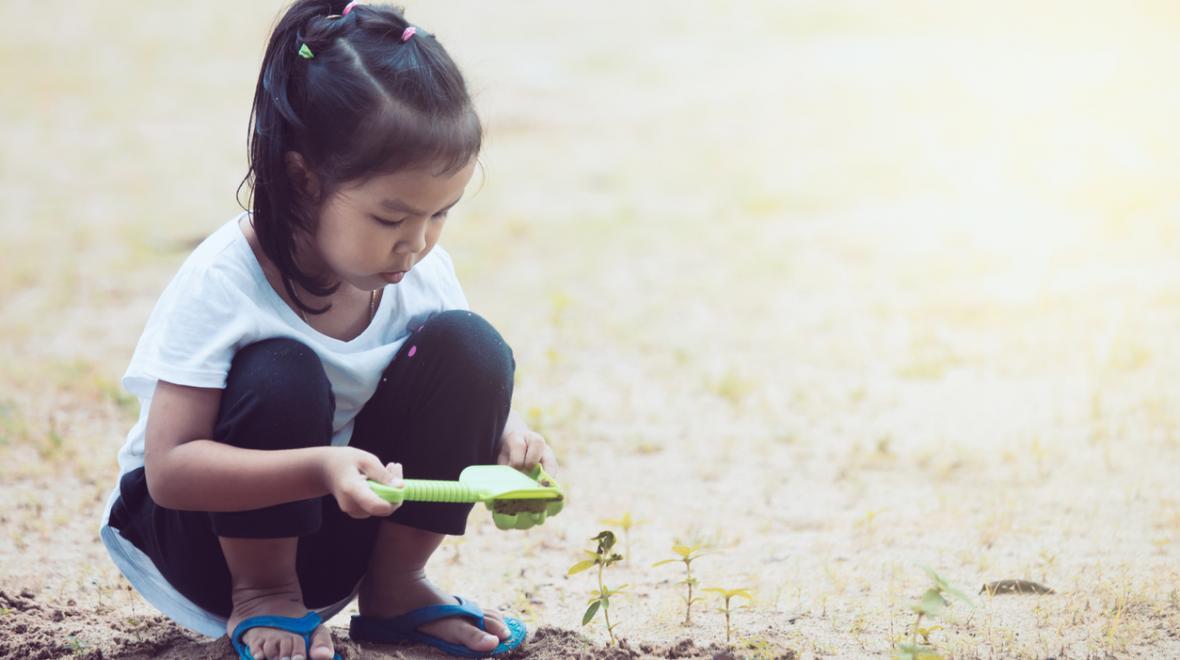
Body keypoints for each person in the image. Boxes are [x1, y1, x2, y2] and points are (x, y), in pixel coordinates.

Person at [97, 1, 557, 658]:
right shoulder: (226, 281)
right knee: (281, 368)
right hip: (205, 546)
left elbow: (455, 392)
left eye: (439, 216)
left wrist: (507, 438)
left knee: (472, 347)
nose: (417, 245)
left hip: (335, 532)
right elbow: (171, 471)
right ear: (303, 178)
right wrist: (319, 467)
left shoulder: (422, 271)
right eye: (390, 218)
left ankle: (398, 590)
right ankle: (263, 597)